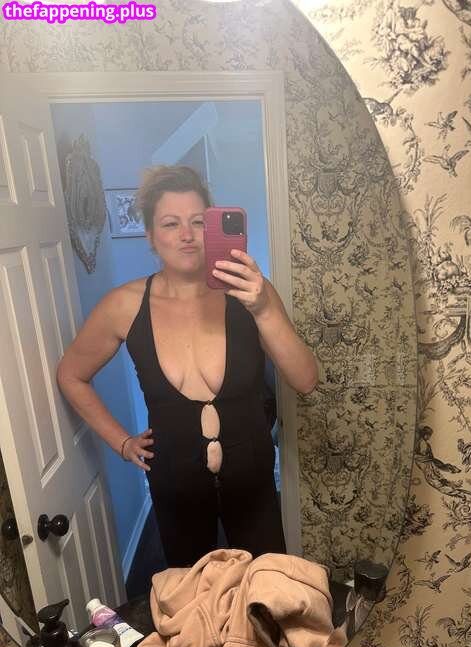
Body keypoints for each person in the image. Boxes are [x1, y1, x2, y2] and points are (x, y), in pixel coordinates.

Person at [57, 165, 318, 567]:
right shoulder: (123, 305)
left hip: (254, 487)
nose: (186, 234)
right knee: (190, 594)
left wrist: (264, 308)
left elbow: (305, 379)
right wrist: (122, 443)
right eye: (170, 223)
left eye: (198, 221)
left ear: (212, 228)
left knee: (267, 590)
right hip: (175, 489)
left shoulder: (250, 293)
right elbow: (71, 375)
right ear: (150, 235)